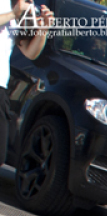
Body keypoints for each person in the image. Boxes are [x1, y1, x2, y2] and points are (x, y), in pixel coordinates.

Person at [1, 0, 53, 157]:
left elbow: (30, 52)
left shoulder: (23, 5)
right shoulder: (15, 8)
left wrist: (43, 29)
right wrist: (13, 14)